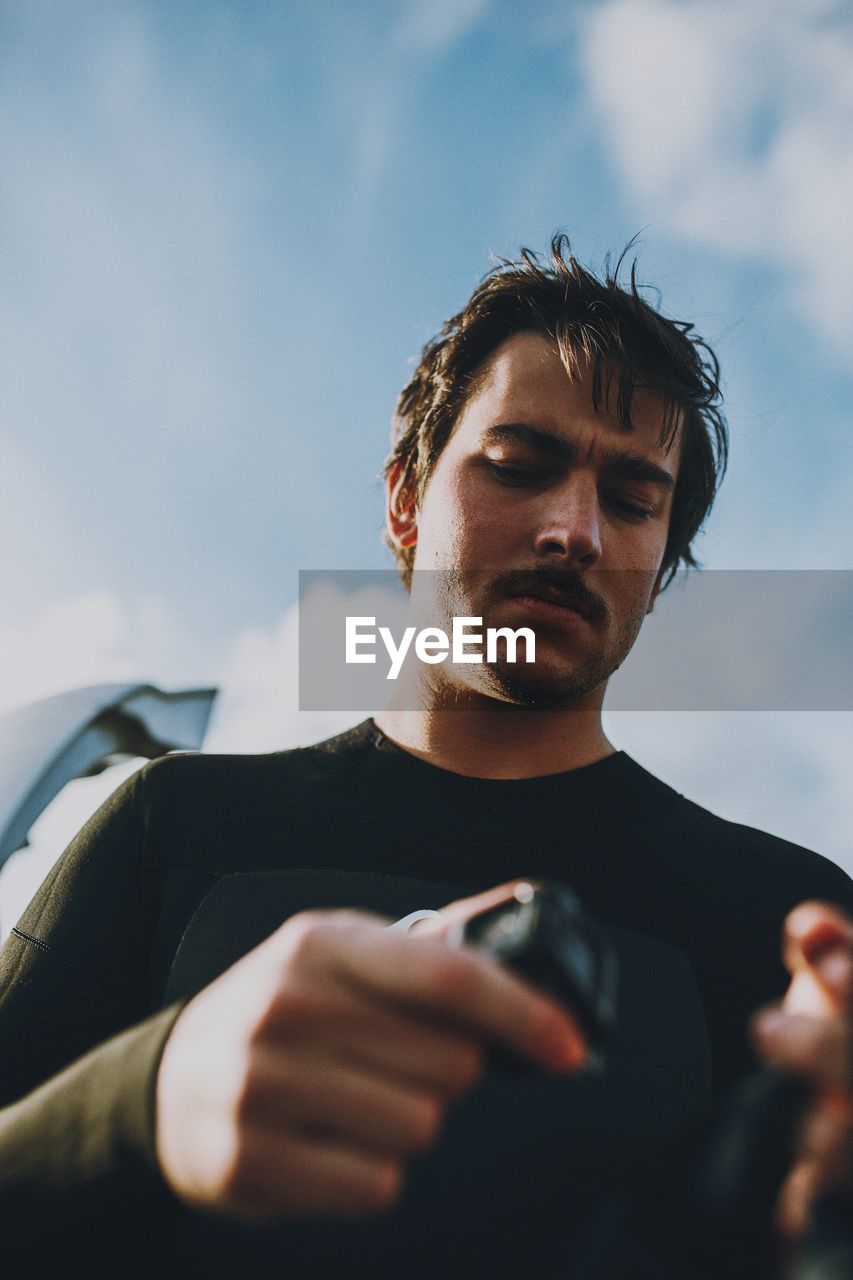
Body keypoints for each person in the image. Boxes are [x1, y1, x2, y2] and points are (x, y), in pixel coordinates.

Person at [0, 237, 850, 1278]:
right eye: (521, 464)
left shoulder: (789, 921)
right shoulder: (169, 824)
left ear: (660, 571)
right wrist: (142, 1100)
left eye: (631, 499)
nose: (573, 529)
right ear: (405, 500)